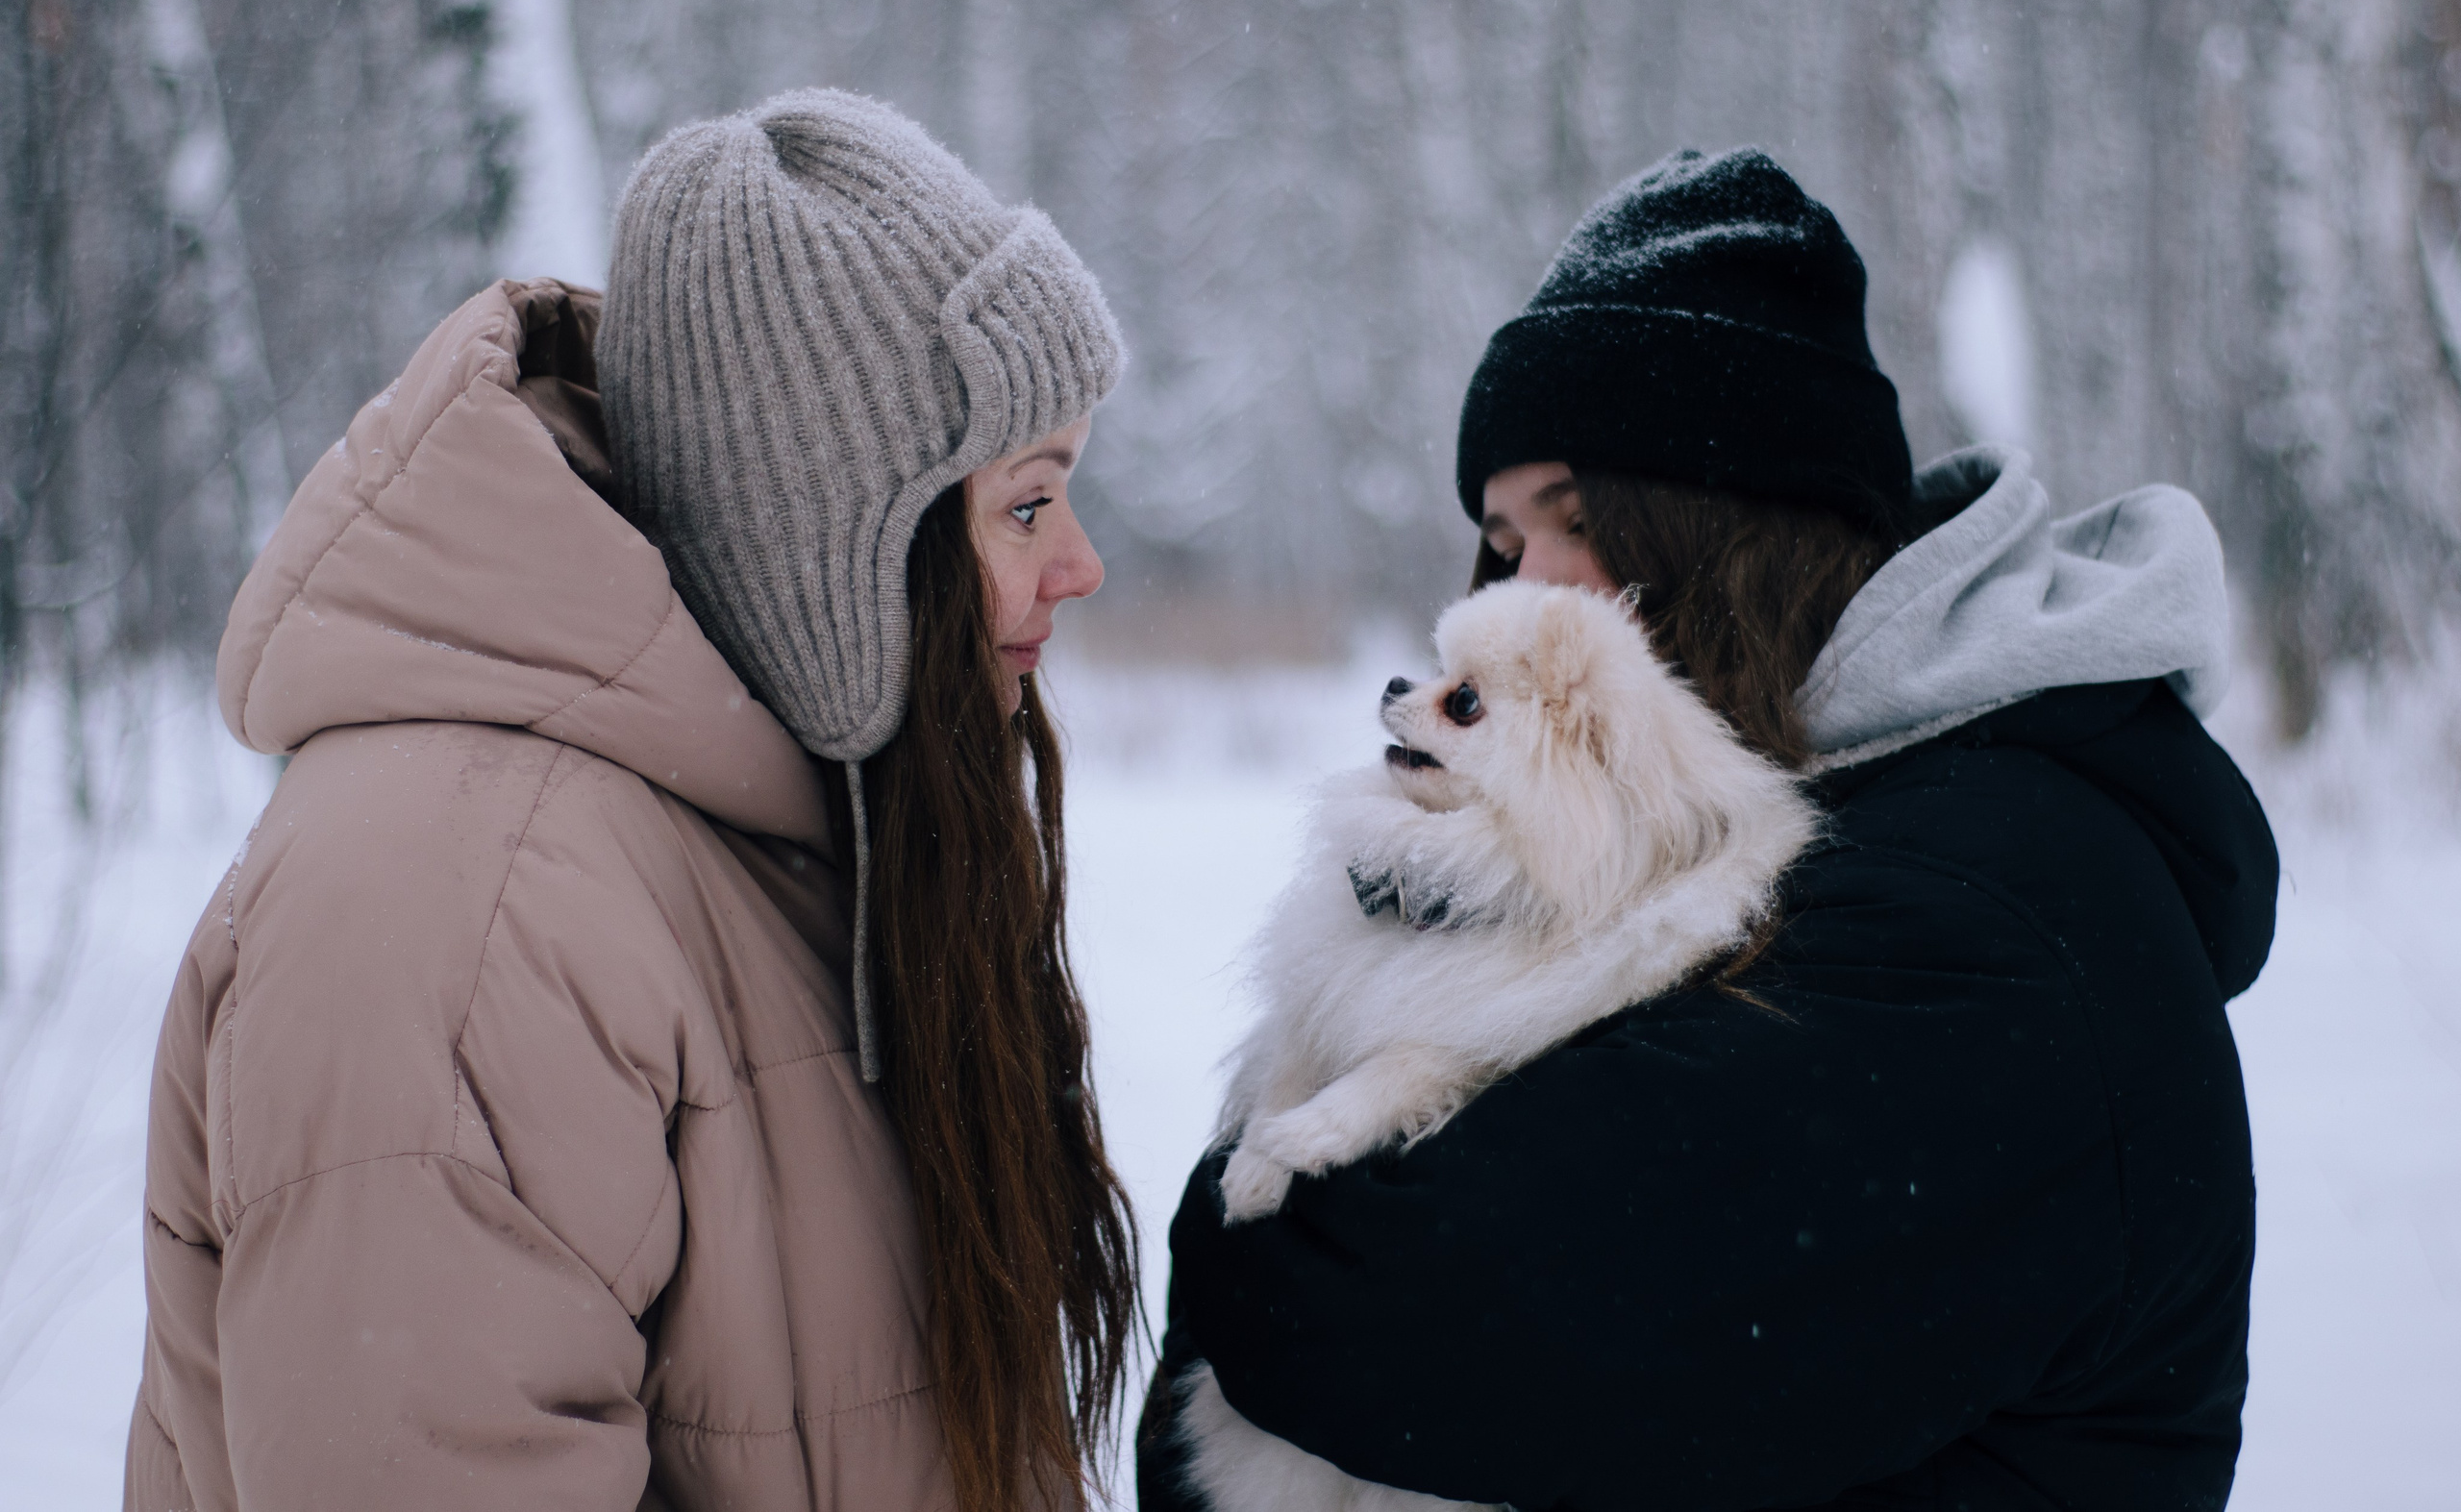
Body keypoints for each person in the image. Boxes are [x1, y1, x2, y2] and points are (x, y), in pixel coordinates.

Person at [1140, 148, 2277, 1510]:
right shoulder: (1768, 826)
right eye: (1503, 543)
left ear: (1740, 527)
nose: (1533, 591)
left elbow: (1366, 1307)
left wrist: (1287, 1127)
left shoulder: (1991, 909)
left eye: (1581, 520)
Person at [127, 89, 1139, 1512]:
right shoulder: (460, 915)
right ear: (830, 547)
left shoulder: (788, 836)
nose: (1081, 564)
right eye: (1027, 505)